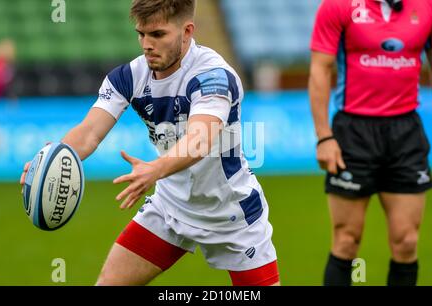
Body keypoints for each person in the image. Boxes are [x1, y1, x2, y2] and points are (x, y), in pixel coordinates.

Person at [20, 0, 280, 286]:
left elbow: (200, 139)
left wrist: (155, 169)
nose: (146, 45)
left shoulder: (213, 77)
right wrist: (48, 159)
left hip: (233, 215)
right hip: (171, 208)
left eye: (157, 35)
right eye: (141, 34)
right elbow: (89, 133)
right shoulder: (128, 77)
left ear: (187, 31)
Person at [309, 0, 432, 286]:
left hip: (406, 132)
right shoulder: (337, 6)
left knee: (407, 241)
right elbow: (319, 70)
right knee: (346, 240)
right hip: (353, 132)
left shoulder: (428, 6)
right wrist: (324, 136)